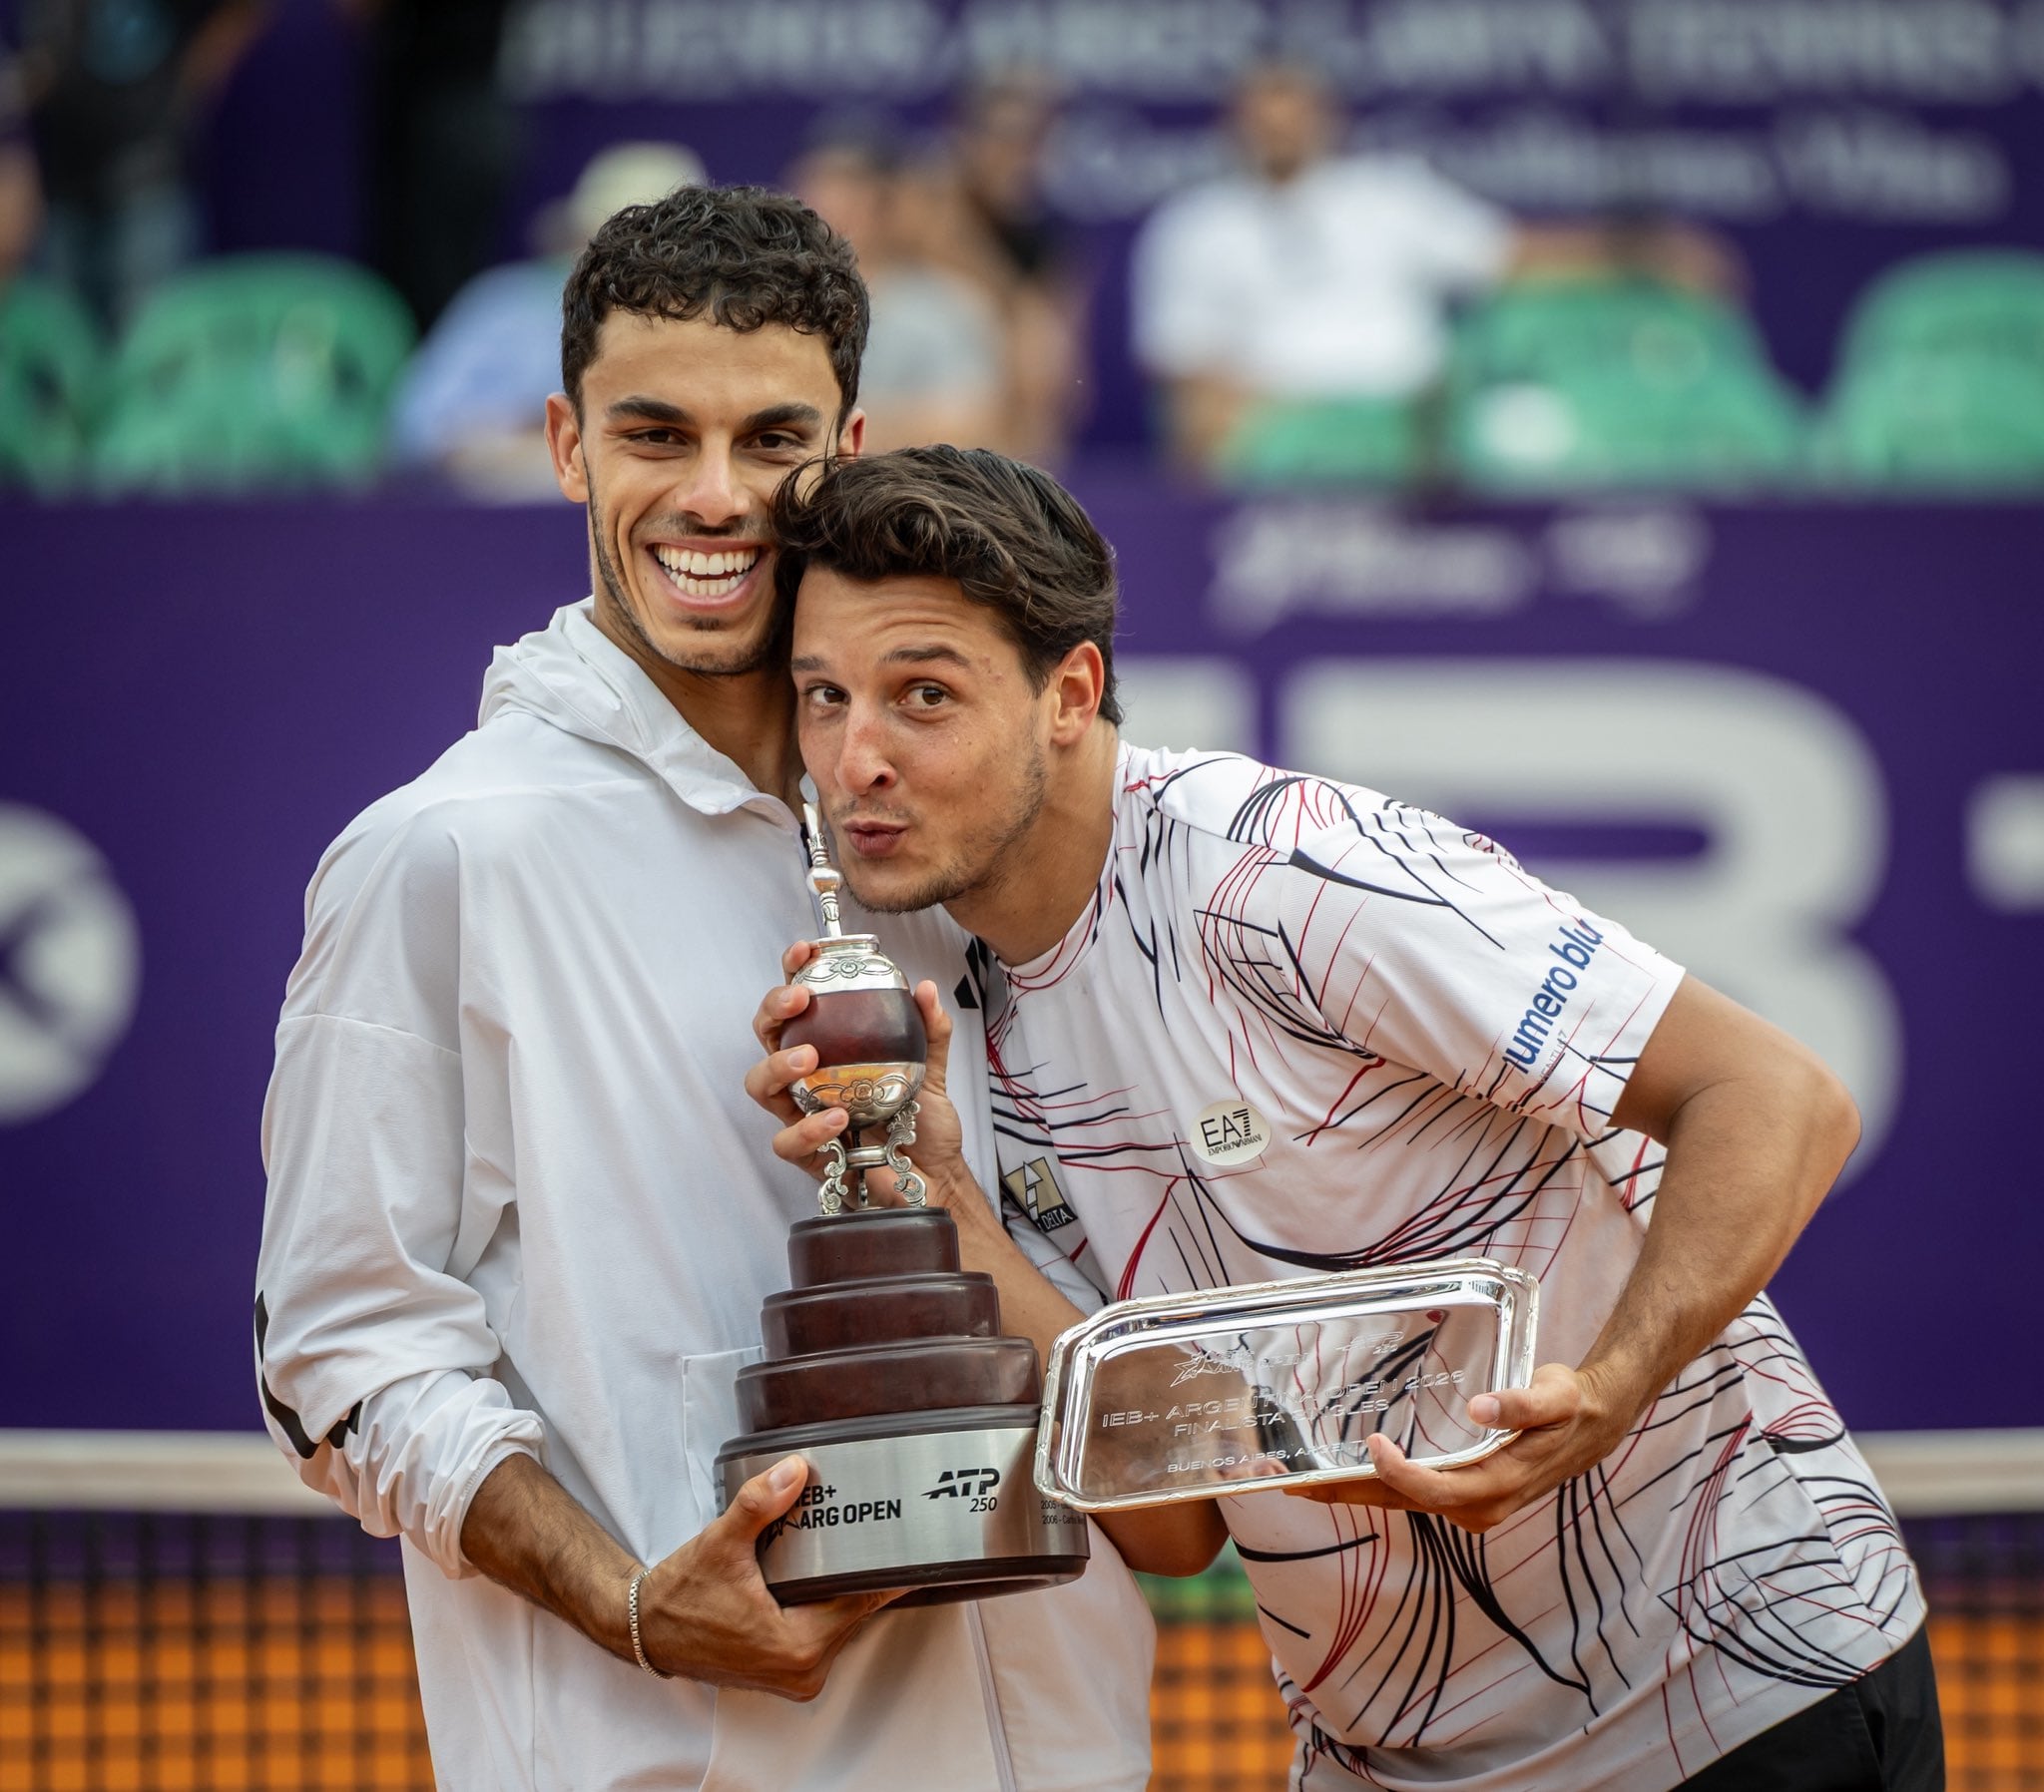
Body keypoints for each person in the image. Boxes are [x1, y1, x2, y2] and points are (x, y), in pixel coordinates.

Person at [748, 445, 1942, 1792]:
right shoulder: (974, 1026)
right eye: (823, 698)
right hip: (1398, 1764)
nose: (857, 761)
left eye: (923, 696)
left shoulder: (1283, 875)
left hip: (1743, 1697)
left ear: (1070, 692)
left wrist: (1606, 1393)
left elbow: (1779, 1097)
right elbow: (1178, 1524)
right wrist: (948, 1203)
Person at [254, 188, 1161, 1792]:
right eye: (656, 433)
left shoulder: (941, 817)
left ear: (852, 443)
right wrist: (632, 1606)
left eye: (775, 438)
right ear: (566, 445)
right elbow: (341, 1349)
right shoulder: (442, 852)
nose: (718, 495)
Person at [1131, 59, 1736, 474]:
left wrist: (1644, 257)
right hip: (1283, 416)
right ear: (1236, 121)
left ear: (1324, 115)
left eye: (1294, 107)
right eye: (1264, 111)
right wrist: (1302, 413)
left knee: (1514, 416)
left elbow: (1511, 258)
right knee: (1209, 425)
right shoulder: (1193, 225)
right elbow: (1184, 363)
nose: (1279, 127)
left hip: (1415, 416)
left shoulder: (1388, 195)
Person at [388, 141, 708, 498]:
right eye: (618, 239)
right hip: (496, 520)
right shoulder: (503, 305)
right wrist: (519, 434)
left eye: (659, 246)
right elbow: (413, 427)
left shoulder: (714, 321)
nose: (636, 262)